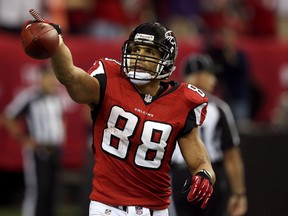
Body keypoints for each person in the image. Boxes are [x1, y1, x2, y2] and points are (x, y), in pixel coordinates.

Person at [23, 16, 216, 216]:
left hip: (156, 210)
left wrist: (204, 175)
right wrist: (56, 42)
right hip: (107, 207)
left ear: (166, 61)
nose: (139, 57)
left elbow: (200, 161)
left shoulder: (183, 101)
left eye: (149, 52)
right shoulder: (109, 80)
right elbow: (70, 76)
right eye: (135, 50)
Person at [171, 54, 247, 216]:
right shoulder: (218, 108)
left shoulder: (169, 105)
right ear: (200, 76)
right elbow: (231, 155)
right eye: (210, 74)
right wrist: (239, 193)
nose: (214, 80)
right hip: (210, 175)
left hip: (179, 175)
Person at [1, 64, 66, 216]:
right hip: (39, 151)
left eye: (53, 77)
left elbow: (59, 120)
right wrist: (24, 139)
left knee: (51, 191)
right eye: (49, 77)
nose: (52, 81)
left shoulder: (56, 96)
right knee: (38, 191)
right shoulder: (31, 96)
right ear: (41, 78)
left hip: (55, 149)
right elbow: (8, 117)